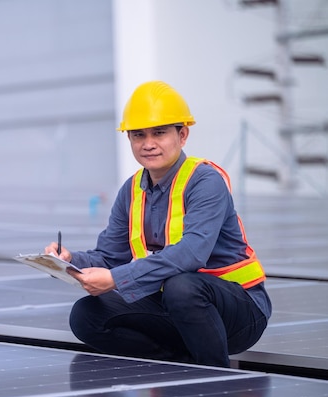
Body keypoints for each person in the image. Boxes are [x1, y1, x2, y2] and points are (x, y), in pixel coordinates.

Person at [45, 81, 271, 368]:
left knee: (182, 287)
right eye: (138, 135)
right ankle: (177, 367)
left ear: (183, 134)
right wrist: (68, 260)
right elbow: (110, 256)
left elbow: (191, 253)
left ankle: (216, 377)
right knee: (87, 315)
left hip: (239, 312)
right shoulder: (132, 190)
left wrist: (116, 279)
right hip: (177, 310)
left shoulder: (205, 181)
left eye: (159, 133)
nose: (148, 143)